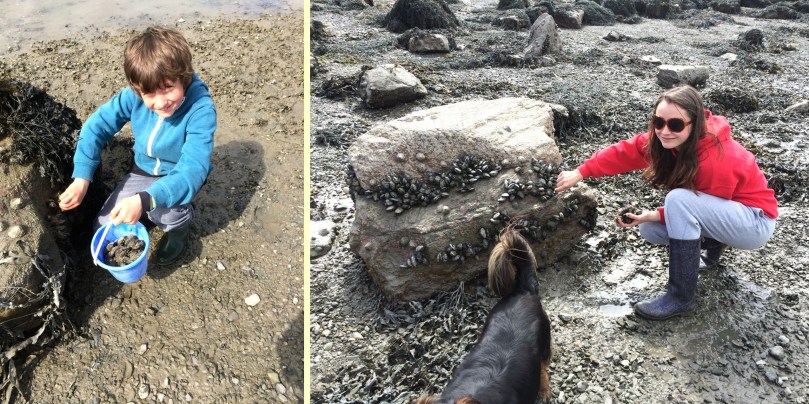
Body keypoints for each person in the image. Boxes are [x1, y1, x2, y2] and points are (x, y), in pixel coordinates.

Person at [555, 85, 777, 320]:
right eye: (658, 122)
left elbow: (700, 203)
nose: (664, 131)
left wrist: (663, 212)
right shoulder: (667, 140)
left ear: (695, 124)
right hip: (724, 211)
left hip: (754, 222)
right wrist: (581, 172)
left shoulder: (716, 157)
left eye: (676, 124)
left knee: (678, 200)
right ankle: (712, 251)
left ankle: (680, 297)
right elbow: (626, 152)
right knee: (650, 229)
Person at [58, 26, 217, 266]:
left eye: (168, 88)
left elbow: (192, 171)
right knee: (102, 226)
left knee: (165, 212)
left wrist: (144, 200)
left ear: (183, 77)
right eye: (149, 94)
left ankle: (179, 229)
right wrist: (82, 178)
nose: (160, 102)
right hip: (144, 168)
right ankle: (148, 205)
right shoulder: (134, 94)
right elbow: (95, 127)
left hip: (178, 172)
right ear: (137, 88)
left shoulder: (200, 110)